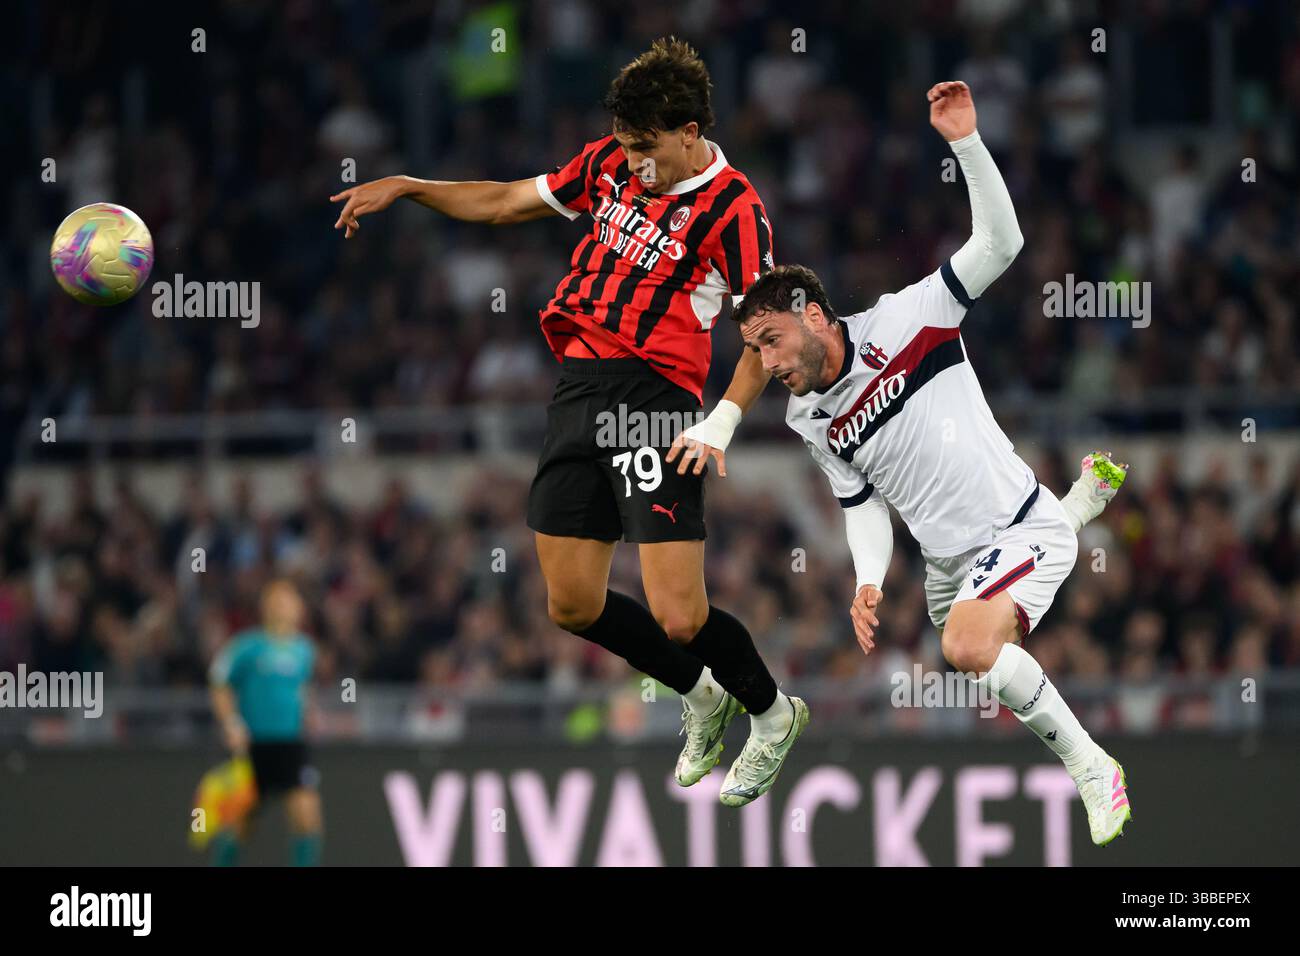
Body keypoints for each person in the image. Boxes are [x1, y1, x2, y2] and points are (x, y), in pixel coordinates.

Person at [330, 38, 804, 806]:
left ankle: (774, 714)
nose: (633, 166)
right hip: (579, 389)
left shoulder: (737, 210)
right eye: (624, 149)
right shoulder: (613, 162)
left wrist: (721, 421)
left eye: (646, 150)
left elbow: (767, 331)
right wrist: (411, 186)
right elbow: (505, 201)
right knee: (572, 603)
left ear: (688, 133)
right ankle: (703, 697)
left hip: (656, 403)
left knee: (680, 614)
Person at [719, 81, 1132, 845]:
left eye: (770, 340)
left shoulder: (914, 315)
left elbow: (1001, 246)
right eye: (752, 351)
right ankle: (1070, 511)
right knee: (965, 644)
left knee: (969, 648)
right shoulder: (808, 412)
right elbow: (860, 503)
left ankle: (1092, 765)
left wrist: (966, 143)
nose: (765, 362)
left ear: (813, 314)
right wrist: (870, 580)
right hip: (948, 567)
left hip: (1012, 531)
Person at [209, 579, 322, 864]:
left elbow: (302, 691)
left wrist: (308, 716)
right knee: (241, 824)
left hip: (290, 745)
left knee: (307, 816)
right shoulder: (246, 646)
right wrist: (231, 723)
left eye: (287, 600)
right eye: (275, 600)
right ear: (264, 607)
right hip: (253, 746)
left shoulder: (305, 650)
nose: (282, 606)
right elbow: (219, 683)